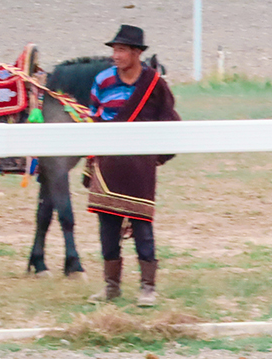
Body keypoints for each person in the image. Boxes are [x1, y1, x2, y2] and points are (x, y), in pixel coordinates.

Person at [86, 25, 180, 306]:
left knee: (143, 226)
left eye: (122, 50)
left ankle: (148, 288)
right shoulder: (102, 81)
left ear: (137, 53)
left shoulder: (154, 84)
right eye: (114, 50)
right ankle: (111, 287)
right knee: (107, 226)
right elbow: (92, 119)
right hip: (107, 164)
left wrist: (156, 157)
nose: (115, 55)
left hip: (140, 167)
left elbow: (170, 121)